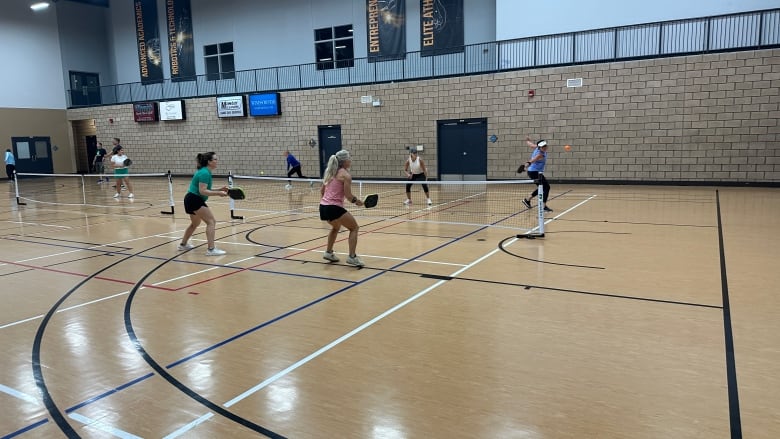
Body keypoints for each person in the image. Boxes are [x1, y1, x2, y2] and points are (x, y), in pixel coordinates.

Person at [319, 149, 365, 267]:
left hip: (323, 207)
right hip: (334, 207)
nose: (350, 160)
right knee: (354, 228)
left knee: (336, 227)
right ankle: (352, 257)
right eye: (349, 158)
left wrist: (327, 203)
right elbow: (349, 196)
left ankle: (329, 253)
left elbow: (322, 191)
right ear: (344, 161)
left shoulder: (329, 172)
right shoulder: (345, 175)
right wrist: (358, 202)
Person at [178, 152, 229, 256]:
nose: (217, 161)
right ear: (209, 162)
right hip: (194, 199)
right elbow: (203, 191)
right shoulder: (204, 173)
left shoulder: (205, 171)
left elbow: (205, 189)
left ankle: (183, 245)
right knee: (211, 222)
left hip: (190, 199)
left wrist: (219, 189)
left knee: (195, 224)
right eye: (215, 159)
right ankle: (211, 250)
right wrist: (218, 193)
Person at [521, 137, 553, 212]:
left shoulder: (536, 147)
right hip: (534, 172)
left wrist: (527, 140)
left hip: (536, 172)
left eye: (545, 146)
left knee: (543, 187)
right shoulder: (540, 155)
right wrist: (526, 165)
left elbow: (531, 145)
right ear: (540, 147)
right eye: (543, 147)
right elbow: (532, 160)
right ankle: (543, 206)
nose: (545, 147)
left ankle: (527, 200)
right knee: (546, 187)